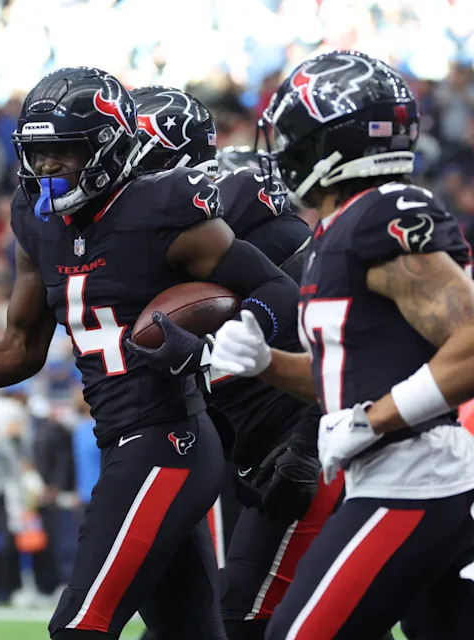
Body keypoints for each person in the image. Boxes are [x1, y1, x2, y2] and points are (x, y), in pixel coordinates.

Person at [0, 66, 299, 639]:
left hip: (167, 442)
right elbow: (20, 346)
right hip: (123, 442)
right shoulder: (39, 226)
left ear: (109, 147)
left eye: (64, 151)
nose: (47, 167)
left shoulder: (162, 208)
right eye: (38, 154)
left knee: (80, 625)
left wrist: (223, 348)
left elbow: (277, 290)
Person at [212, 49, 474, 639]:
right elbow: (350, 378)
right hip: (398, 476)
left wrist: (377, 419)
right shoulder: (343, 227)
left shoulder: (381, 214)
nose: (282, 150)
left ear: (334, 142)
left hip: (413, 480)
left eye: (293, 134)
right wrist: (267, 364)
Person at [129, 86, 357, 640]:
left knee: (241, 616)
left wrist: (303, 447)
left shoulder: (282, 256)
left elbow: (336, 362)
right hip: (258, 454)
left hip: (314, 444)